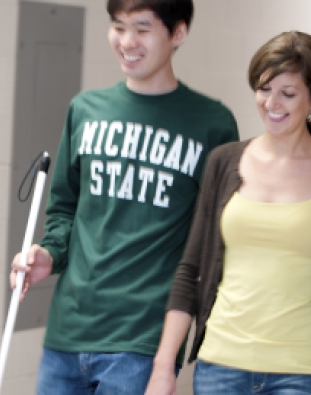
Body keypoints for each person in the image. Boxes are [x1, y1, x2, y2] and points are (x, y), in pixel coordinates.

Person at [10, 0, 239, 394]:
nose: (127, 41)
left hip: (141, 342)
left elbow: (214, 244)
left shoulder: (213, 124)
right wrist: (47, 255)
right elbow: (64, 209)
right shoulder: (84, 110)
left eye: (143, 28)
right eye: (118, 26)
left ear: (178, 33)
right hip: (67, 333)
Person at [144, 30, 311, 395]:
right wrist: (162, 368)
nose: (272, 104)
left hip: (300, 371)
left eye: (288, 93)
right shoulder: (225, 162)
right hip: (221, 366)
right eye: (265, 89)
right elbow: (191, 271)